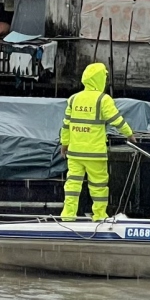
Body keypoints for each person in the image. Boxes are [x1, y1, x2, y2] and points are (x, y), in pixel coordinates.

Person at [58, 61, 134, 221]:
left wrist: (64, 144)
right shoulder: (103, 99)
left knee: (72, 185)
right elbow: (116, 120)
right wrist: (129, 134)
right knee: (98, 186)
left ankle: (67, 215)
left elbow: (66, 125)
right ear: (99, 79)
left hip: (75, 152)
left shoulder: (73, 99)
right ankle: (99, 215)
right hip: (95, 153)